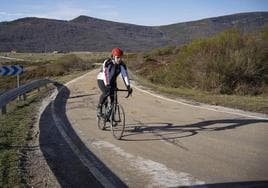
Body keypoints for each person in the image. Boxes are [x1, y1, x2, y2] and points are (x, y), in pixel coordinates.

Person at [97, 47, 132, 117]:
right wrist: (107, 84)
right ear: (113, 57)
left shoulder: (122, 65)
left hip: (112, 81)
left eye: (121, 57)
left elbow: (125, 76)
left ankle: (111, 117)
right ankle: (99, 108)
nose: (119, 59)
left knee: (114, 100)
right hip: (102, 79)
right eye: (118, 57)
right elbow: (105, 74)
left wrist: (128, 87)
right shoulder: (107, 62)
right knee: (107, 92)